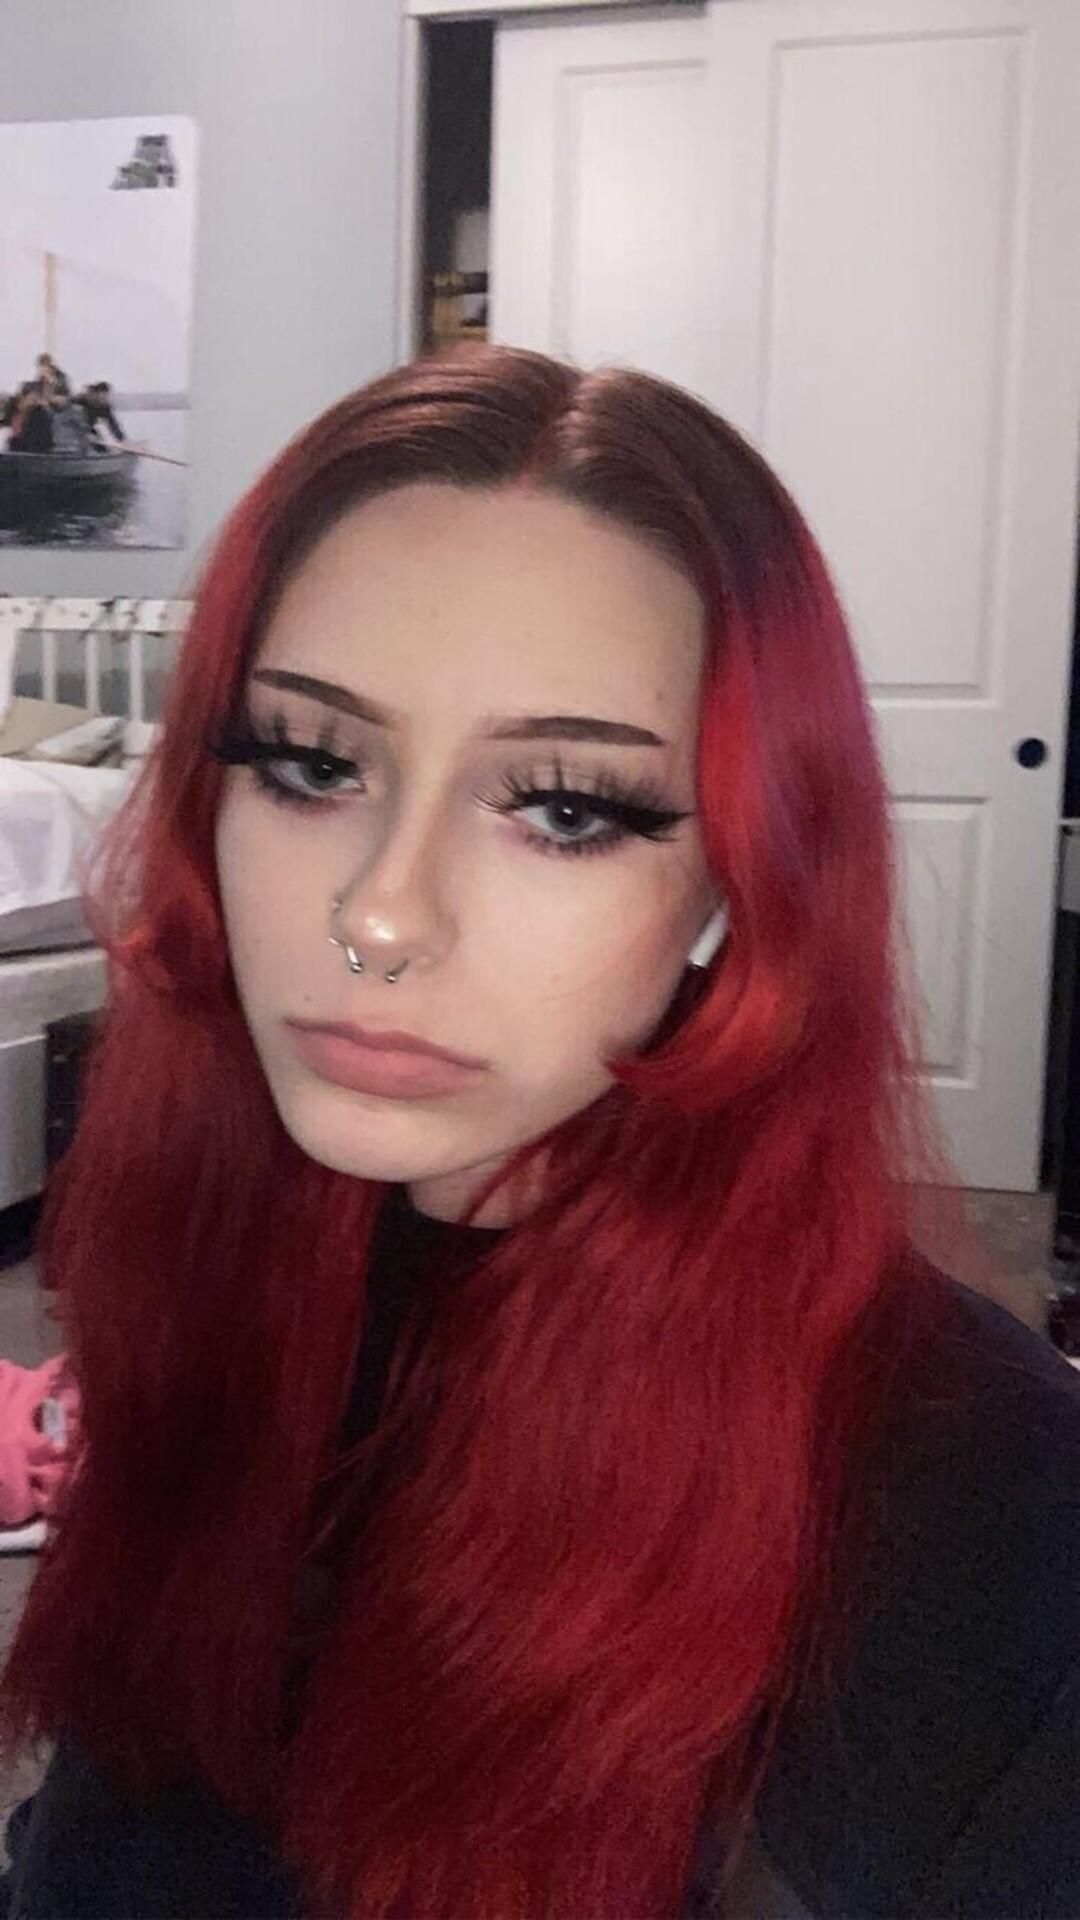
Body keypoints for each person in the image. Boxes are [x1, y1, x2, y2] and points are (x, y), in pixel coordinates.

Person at [0, 346, 1077, 1919]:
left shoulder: (994, 1525)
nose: (381, 917)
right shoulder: (207, 1283)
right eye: (311, 763)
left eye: (565, 809)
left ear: (737, 887)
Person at [76, 381, 127, 447]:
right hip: (73, 427)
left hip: (89, 427)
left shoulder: (104, 407)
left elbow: (113, 424)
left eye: (106, 396)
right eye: (102, 395)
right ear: (96, 393)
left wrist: (122, 439)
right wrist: (86, 434)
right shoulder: (80, 401)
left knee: (99, 445)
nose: (104, 398)